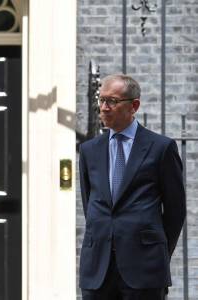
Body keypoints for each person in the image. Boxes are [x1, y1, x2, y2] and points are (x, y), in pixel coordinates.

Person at [78, 74, 186, 299]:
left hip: (145, 269)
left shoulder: (161, 148)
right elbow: (91, 204)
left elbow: (175, 211)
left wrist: (157, 254)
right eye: (101, 100)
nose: (104, 108)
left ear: (134, 105)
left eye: (112, 101)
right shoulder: (89, 150)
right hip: (98, 269)